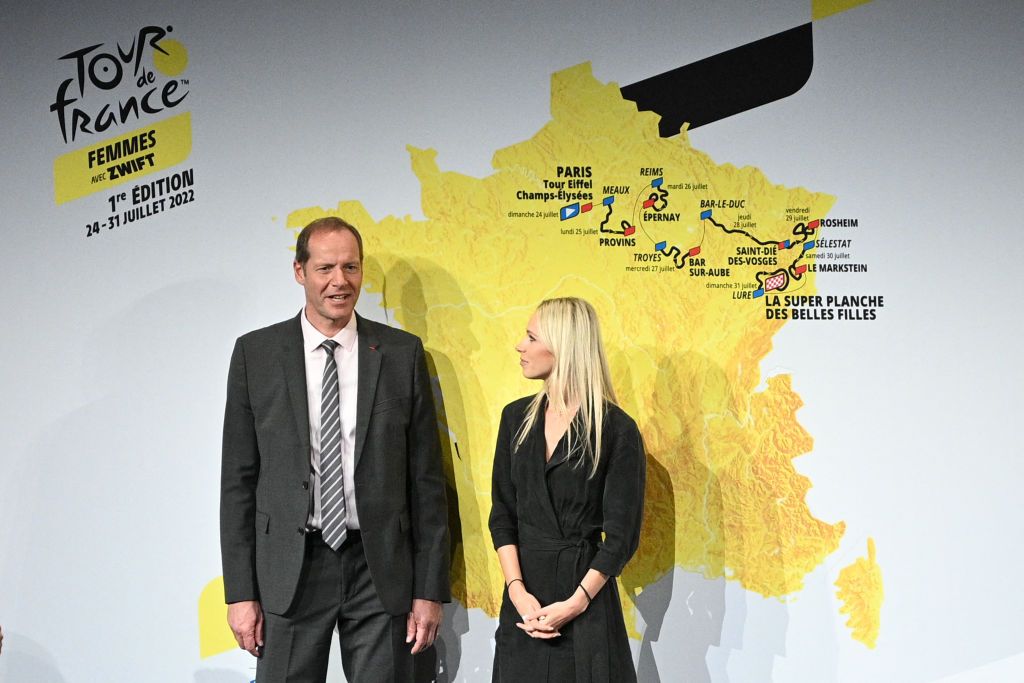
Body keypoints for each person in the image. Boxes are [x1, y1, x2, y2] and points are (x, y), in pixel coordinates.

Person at [220, 216, 450, 682]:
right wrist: (240, 592)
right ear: (299, 271)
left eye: (351, 267)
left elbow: (426, 481)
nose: (339, 282)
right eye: (325, 268)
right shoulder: (255, 354)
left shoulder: (402, 354)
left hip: (379, 568)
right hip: (290, 567)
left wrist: (428, 590)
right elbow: (237, 482)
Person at [489, 297, 646, 682]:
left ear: (563, 346)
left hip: (584, 607)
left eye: (530, 337)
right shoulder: (515, 419)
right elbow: (502, 515)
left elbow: (621, 538)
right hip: (523, 607)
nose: (519, 346)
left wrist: (575, 604)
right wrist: (517, 592)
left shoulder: (616, 429)